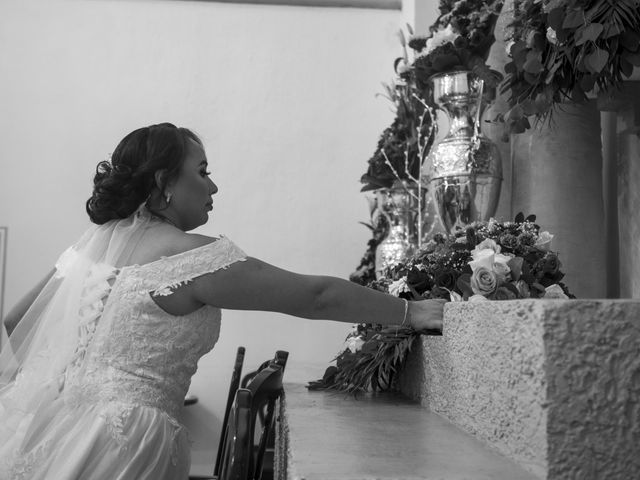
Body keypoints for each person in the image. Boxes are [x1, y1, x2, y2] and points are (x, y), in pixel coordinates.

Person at [0, 123, 444, 479]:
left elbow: (16, 321)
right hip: (127, 442)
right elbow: (316, 296)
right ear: (164, 182)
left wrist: (60, 387)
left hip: (58, 430)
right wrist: (412, 311)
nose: (213, 187)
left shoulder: (90, 251)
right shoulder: (187, 256)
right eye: (203, 171)